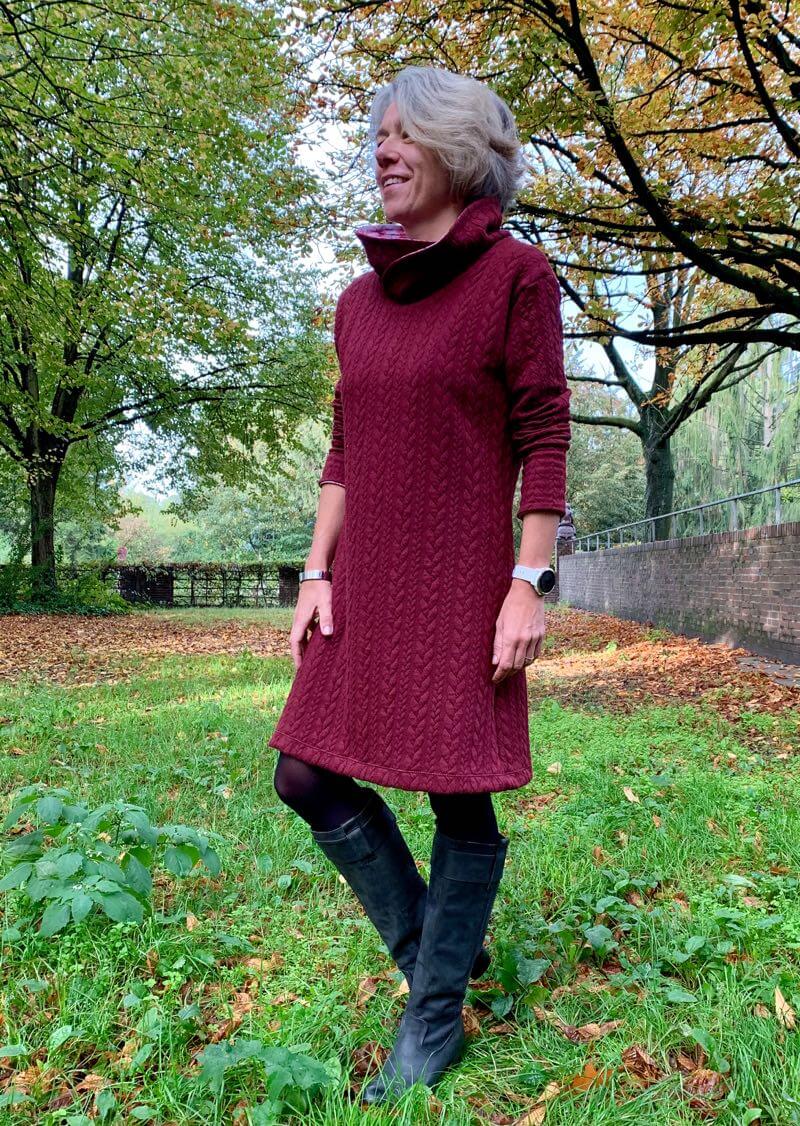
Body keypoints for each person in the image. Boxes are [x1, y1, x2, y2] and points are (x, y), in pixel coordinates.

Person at [268, 65, 571, 1104]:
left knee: (456, 787)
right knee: (303, 774)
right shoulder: (357, 302)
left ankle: (432, 1015)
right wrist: (315, 572)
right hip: (364, 578)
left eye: (403, 134)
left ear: (458, 151)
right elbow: (343, 450)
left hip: (460, 580)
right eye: (378, 136)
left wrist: (527, 580)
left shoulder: (517, 277)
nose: (382, 151)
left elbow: (543, 433)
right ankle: (437, 957)